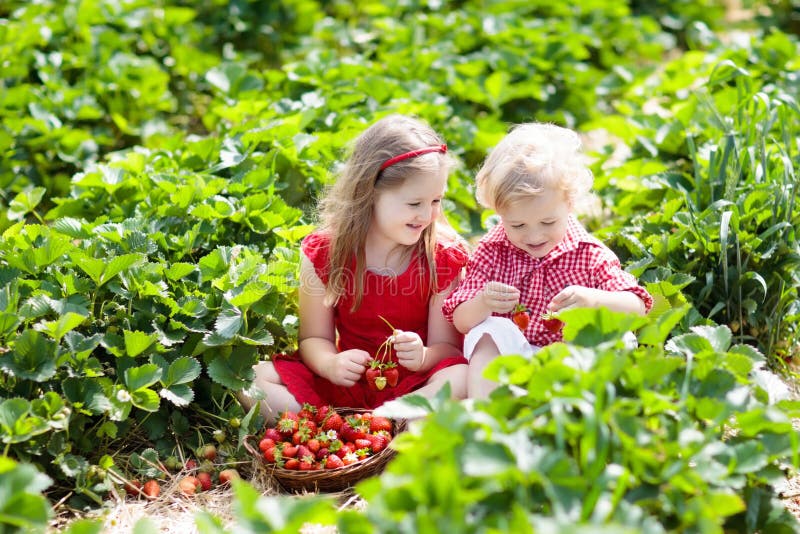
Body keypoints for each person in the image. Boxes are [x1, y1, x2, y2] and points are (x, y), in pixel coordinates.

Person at [239, 115, 469, 421]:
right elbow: (313, 339)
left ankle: (380, 421)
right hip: (348, 382)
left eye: (436, 200)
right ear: (370, 192)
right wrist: (330, 365)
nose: (427, 215)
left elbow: (448, 347)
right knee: (251, 380)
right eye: (414, 203)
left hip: (414, 384)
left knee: (462, 377)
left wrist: (425, 356)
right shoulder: (327, 253)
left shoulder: (441, 256)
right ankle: (339, 426)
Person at [442, 122, 653, 399]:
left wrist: (594, 300)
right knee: (488, 331)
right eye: (517, 225)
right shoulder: (492, 252)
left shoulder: (588, 253)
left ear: (570, 203)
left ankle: (591, 409)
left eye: (547, 221)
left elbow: (637, 306)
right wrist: (483, 302)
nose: (534, 235)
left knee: (619, 337)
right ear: (498, 212)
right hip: (515, 364)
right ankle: (488, 412)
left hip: (575, 363)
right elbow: (461, 321)